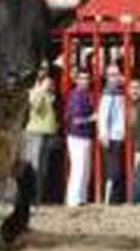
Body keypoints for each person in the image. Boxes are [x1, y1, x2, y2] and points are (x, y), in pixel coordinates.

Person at [23, 67, 60, 205]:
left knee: (43, 169)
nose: (44, 72)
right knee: (34, 167)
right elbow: (34, 107)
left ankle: (37, 199)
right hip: (35, 131)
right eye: (41, 69)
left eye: (45, 69)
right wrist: (41, 90)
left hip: (48, 131)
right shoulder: (32, 88)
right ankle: (30, 200)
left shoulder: (49, 90)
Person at [96, 63, 127, 204]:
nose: (114, 78)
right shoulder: (107, 94)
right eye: (111, 75)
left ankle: (115, 198)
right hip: (111, 136)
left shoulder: (120, 92)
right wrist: (103, 133)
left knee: (116, 167)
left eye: (116, 74)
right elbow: (103, 115)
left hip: (119, 135)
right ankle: (109, 198)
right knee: (112, 169)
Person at [64, 70, 96, 206]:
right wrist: (91, 118)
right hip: (77, 137)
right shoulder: (75, 96)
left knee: (85, 168)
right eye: (82, 79)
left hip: (85, 136)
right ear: (76, 80)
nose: (85, 81)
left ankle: (81, 198)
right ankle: (73, 199)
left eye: (87, 78)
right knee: (78, 168)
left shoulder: (86, 95)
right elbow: (75, 120)